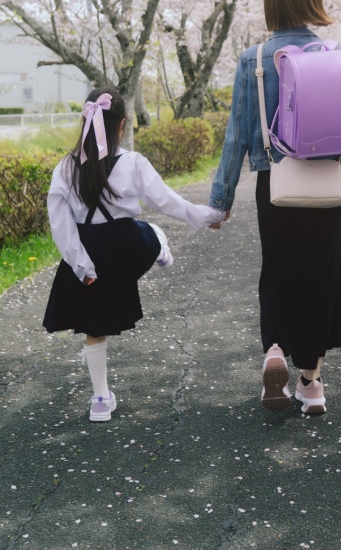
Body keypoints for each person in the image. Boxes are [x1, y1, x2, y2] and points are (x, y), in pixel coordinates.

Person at [208, 0, 341, 415]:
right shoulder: (339, 54)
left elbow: (237, 135)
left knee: (278, 270)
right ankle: (312, 383)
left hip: (276, 184)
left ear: (271, 4)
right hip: (325, 186)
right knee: (321, 274)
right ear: (312, 0)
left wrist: (221, 199)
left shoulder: (254, 59)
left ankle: (275, 352)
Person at [43, 88, 223, 422]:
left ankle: (100, 400)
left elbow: (61, 226)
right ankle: (159, 245)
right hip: (127, 246)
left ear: (85, 121)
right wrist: (207, 215)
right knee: (148, 232)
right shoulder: (132, 163)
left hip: (89, 251)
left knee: (94, 327)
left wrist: (81, 266)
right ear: (122, 125)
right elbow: (167, 201)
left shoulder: (65, 168)